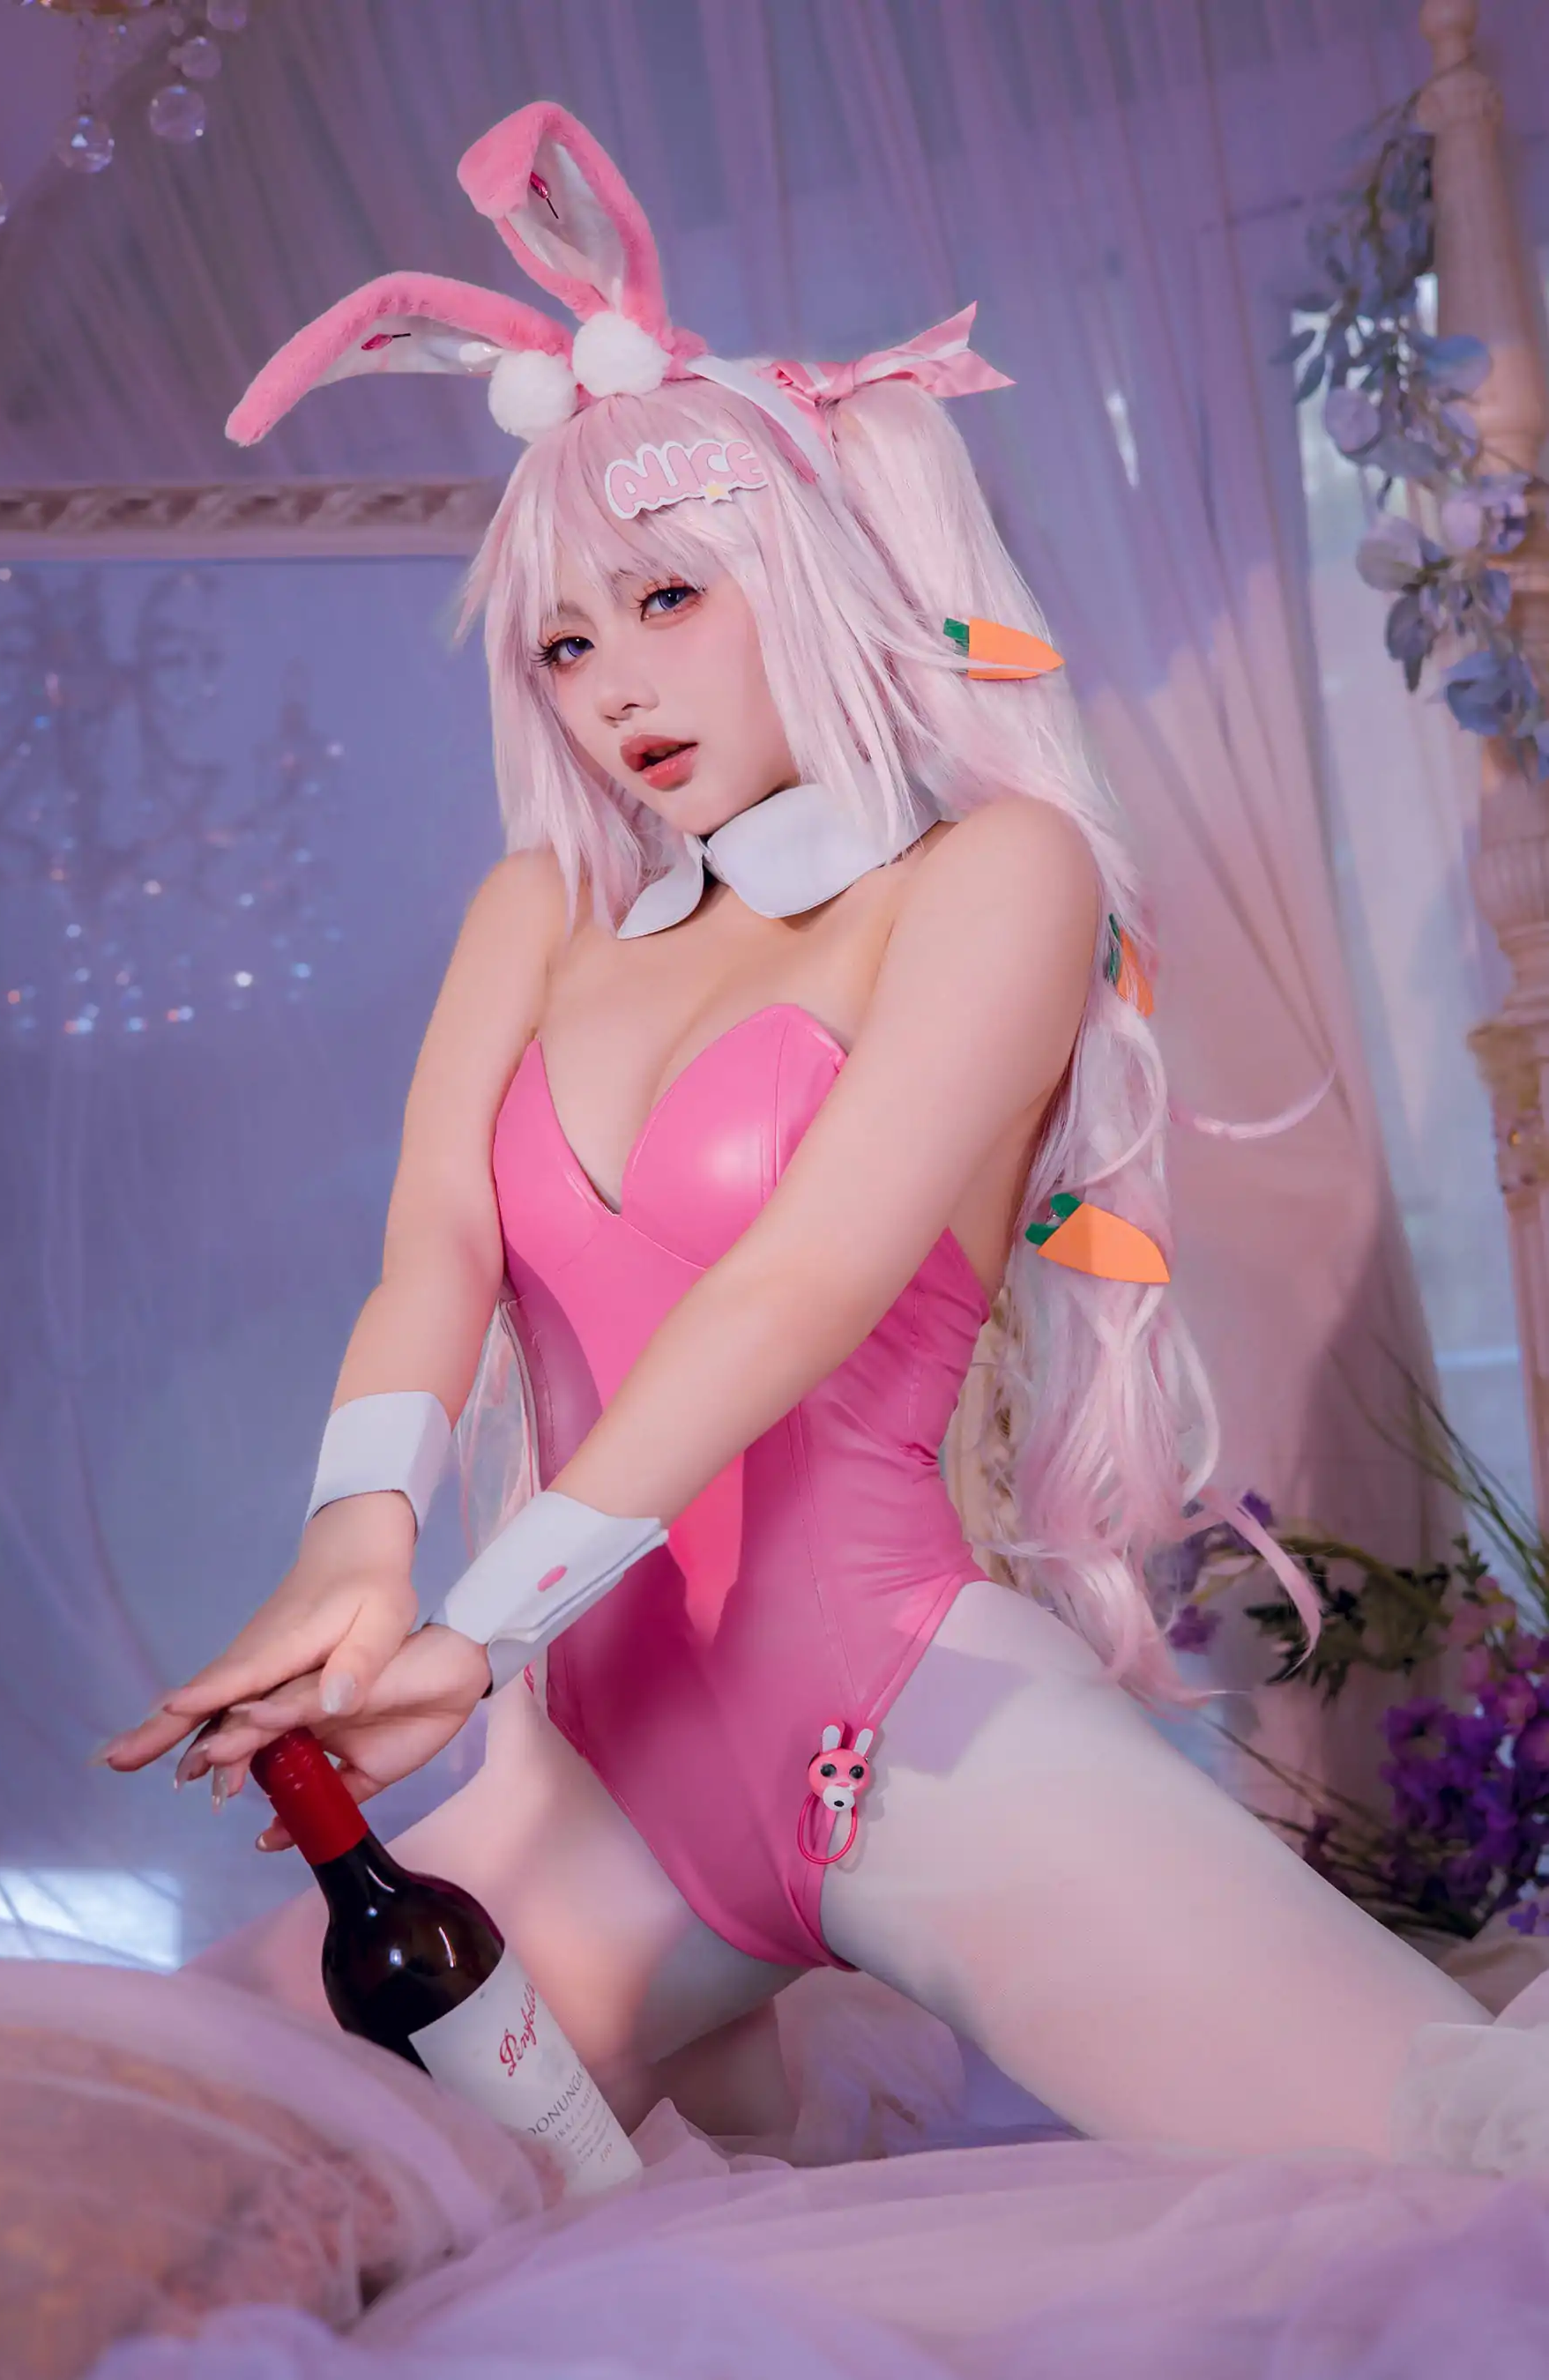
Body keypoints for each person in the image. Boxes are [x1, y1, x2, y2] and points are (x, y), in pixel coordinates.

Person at [99, 101, 1491, 2155]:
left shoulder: (992, 878)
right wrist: (353, 1548)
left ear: (801, 575)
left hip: (912, 1726)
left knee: (1449, 2154)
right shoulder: (534, 914)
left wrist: (470, 1630)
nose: (614, 689)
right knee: (171, 2137)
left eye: (669, 598)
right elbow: (435, 1258)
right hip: (598, 1787)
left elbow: (800, 1284)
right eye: (568, 641)